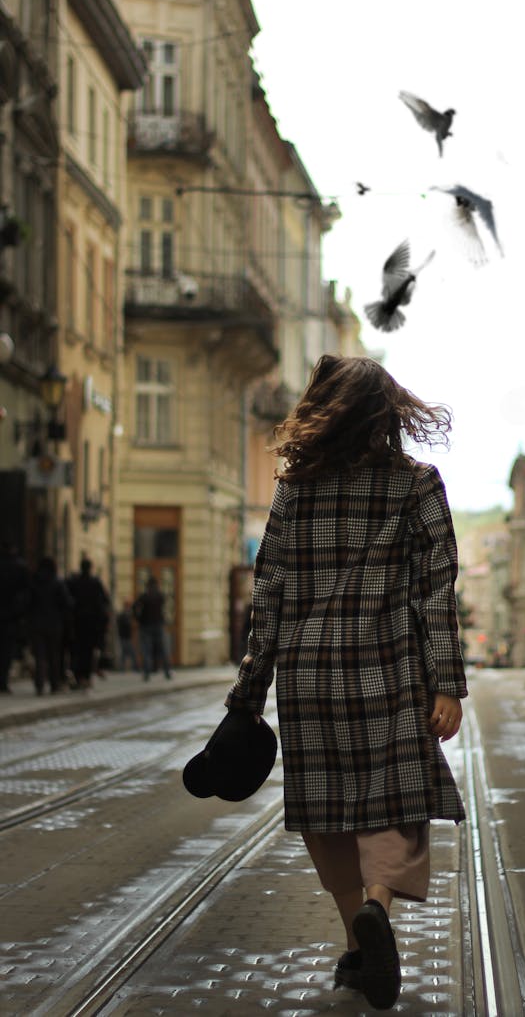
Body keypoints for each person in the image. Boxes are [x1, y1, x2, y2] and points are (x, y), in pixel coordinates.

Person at [225, 354, 467, 1011]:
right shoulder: (417, 483)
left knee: (326, 814)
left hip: (307, 679)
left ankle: (358, 951)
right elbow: (435, 589)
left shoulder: (294, 488)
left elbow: (268, 592)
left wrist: (249, 693)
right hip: (389, 669)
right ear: (386, 415)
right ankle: (378, 911)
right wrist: (446, 682)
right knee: (396, 805)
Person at [27, 556, 73, 695]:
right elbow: (68, 603)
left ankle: (39, 684)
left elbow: (27, 602)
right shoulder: (57, 583)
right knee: (54, 655)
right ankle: (54, 684)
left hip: (36, 623)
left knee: (40, 655)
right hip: (54, 624)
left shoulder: (34, 582)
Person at [67, 557, 110, 689]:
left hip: (77, 622)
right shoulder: (95, 583)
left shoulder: (74, 582)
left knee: (77, 650)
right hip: (92, 624)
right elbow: (104, 601)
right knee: (88, 651)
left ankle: (78, 675)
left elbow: (68, 600)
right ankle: (85, 677)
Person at [0, 542, 31, 693]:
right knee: (7, 650)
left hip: (8, 614)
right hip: (12, 616)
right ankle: (3, 681)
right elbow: (26, 592)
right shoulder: (20, 567)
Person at [134, 576, 171, 680]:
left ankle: (147, 672)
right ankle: (167, 671)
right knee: (163, 649)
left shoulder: (144, 596)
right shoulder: (160, 596)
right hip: (158, 625)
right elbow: (166, 609)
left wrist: (139, 619)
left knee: (147, 650)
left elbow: (135, 607)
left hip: (145, 626)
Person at [116, 600, 140, 672]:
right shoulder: (122, 615)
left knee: (129, 653)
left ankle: (134, 667)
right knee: (126, 653)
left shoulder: (129, 615)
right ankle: (125, 668)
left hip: (128, 636)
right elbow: (124, 625)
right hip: (124, 636)